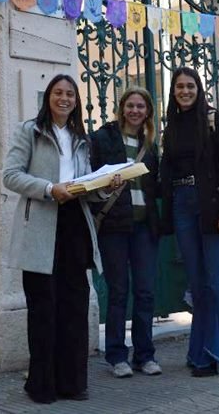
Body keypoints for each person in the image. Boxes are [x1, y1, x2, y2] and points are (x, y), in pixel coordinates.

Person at [3, 74, 121, 404]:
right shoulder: (30, 131)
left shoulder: (81, 138)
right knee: (43, 307)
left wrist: (105, 188)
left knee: (75, 305)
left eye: (70, 94)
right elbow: (10, 175)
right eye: (58, 92)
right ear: (48, 97)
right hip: (42, 223)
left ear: (76, 101)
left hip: (75, 226)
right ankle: (42, 385)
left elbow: (86, 189)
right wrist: (48, 188)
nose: (64, 98)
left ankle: (73, 383)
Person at [160, 66, 219, 377]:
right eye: (179, 86)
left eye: (190, 86)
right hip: (183, 205)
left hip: (212, 206)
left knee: (218, 283)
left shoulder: (214, 120)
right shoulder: (171, 126)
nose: (184, 91)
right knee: (197, 284)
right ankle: (200, 353)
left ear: (199, 89)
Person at [89, 87, 163, 378]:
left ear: (148, 112)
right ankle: (117, 355)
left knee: (145, 292)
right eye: (130, 105)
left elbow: (155, 185)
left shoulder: (150, 145)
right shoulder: (103, 138)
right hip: (114, 227)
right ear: (121, 108)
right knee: (119, 291)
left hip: (144, 226)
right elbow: (93, 177)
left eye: (141, 106)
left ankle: (145, 355)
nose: (135, 111)